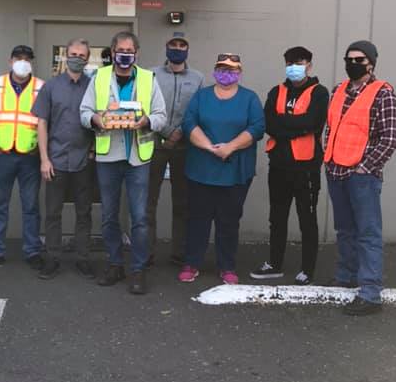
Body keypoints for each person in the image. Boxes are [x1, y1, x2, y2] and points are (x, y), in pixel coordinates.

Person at [80, 31, 167, 295]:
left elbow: (161, 116)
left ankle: (138, 269)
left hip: (138, 158)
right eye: (121, 50)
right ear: (113, 51)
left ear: (136, 53)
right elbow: (84, 112)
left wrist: (147, 121)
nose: (125, 55)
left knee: (139, 217)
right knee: (109, 216)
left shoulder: (149, 79)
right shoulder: (99, 78)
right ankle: (115, 264)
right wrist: (96, 120)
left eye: (130, 51)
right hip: (108, 157)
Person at [324, 40, 396, 315]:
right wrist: (328, 156)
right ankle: (346, 276)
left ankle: (370, 293)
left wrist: (365, 167)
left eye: (359, 60)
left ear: (371, 63)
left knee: (368, 233)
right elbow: (330, 127)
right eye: (349, 59)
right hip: (335, 171)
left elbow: (390, 138)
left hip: (362, 176)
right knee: (345, 229)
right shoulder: (338, 90)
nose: (353, 64)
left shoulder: (383, 93)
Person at [178, 52, 265, 284]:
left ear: (240, 72)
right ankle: (192, 263)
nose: (226, 73)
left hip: (235, 171)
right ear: (215, 71)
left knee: (229, 220)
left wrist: (230, 147)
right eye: (222, 69)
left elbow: (257, 127)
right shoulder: (201, 96)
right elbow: (189, 123)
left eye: (231, 70)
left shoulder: (249, 98)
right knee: (197, 218)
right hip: (201, 169)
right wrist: (209, 147)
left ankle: (227, 266)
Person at [251, 46, 329, 284]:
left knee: (307, 219)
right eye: (290, 63)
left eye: (300, 62)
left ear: (309, 65)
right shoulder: (277, 91)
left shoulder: (319, 92)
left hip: (306, 167)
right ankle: (274, 263)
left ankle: (307, 269)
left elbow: (313, 122)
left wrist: (285, 125)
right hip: (279, 165)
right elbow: (268, 123)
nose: (295, 67)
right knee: (277, 217)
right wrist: (296, 127)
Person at [33, 38, 95, 280]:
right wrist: (44, 159)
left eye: (81, 55)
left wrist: (93, 151)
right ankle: (52, 259)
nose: (77, 58)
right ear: (65, 56)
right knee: (53, 213)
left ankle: (83, 258)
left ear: (87, 59)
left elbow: (99, 120)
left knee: (84, 212)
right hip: (56, 161)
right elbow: (41, 123)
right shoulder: (51, 87)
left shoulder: (93, 87)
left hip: (84, 161)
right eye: (73, 54)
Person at [0, 45, 45, 270]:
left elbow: (48, 122)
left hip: (30, 156)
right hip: (3, 155)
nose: (22, 62)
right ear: (10, 61)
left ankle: (32, 251)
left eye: (27, 59)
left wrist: (40, 149)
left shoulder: (41, 87)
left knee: (31, 206)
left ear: (31, 63)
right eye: (18, 58)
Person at [146, 32, 204, 266]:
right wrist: (166, 132)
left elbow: (197, 110)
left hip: (184, 146)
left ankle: (180, 253)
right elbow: (146, 106)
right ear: (166, 47)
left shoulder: (198, 78)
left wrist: (179, 132)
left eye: (182, 45)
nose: (177, 48)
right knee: (148, 201)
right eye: (173, 44)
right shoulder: (151, 74)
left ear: (187, 50)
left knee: (183, 202)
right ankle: (146, 252)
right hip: (154, 143)